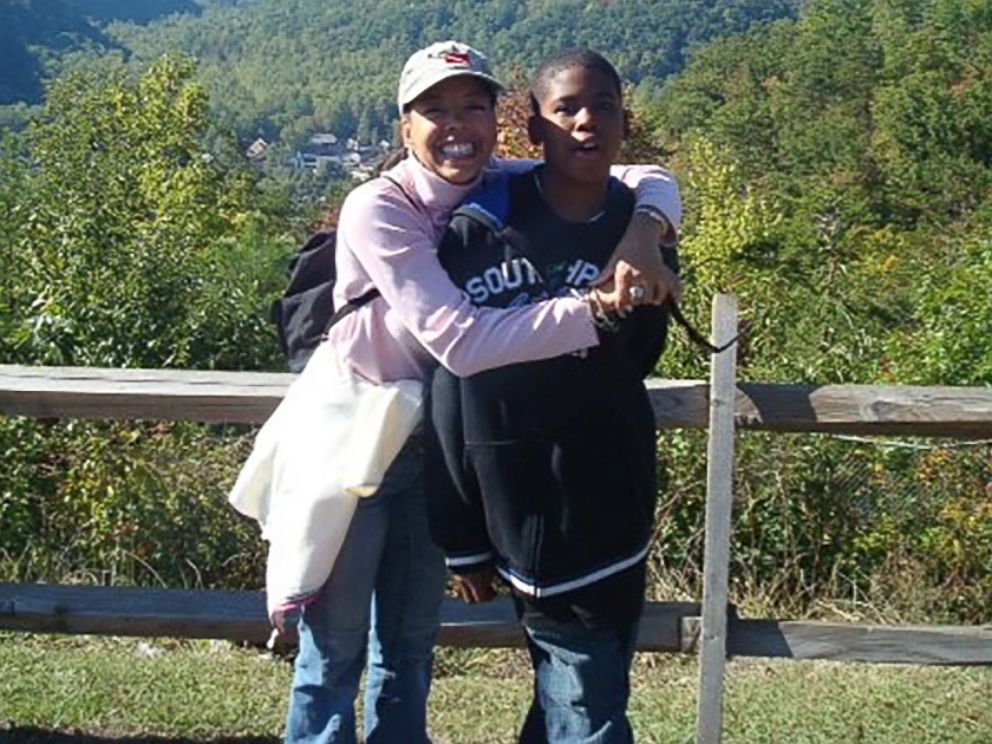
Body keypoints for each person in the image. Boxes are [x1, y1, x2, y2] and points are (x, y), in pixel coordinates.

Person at [282, 40, 682, 744]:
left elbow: (643, 173)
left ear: (502, 121)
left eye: (473, 105)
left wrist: (646, 232)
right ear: (405, 127)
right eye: (435, 109)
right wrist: (597, 308)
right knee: (333, 647)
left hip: (439, 448)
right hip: (357, 443)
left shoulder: (497, 180)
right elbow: (461, 344)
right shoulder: (379, 207)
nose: (457, 123)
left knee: (408, 646)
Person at [425, 49, 672, 743]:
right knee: (586, 705)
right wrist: (460, 537)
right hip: (522, 506)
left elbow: (635, 362)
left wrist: (636, 285)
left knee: (580, 687)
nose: (587, 123)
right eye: (566, 109)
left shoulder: (640, 226)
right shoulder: (481, 227)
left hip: (615, 497)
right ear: (533, 129)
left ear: (626, 122)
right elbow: (450, 383)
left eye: (604, 107)